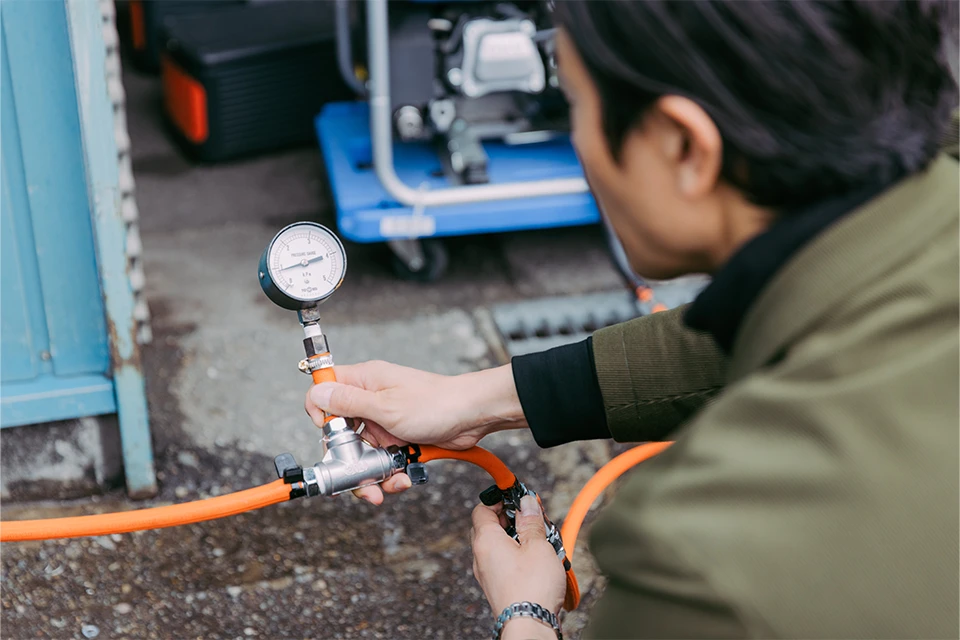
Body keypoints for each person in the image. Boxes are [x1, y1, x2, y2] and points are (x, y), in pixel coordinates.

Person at [305, 1, 960, 638]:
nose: (578, 143)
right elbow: (746, 341)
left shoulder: (709, 567)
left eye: (575, 108)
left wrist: (523, 617)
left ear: (683, 147)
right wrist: (473, 398)